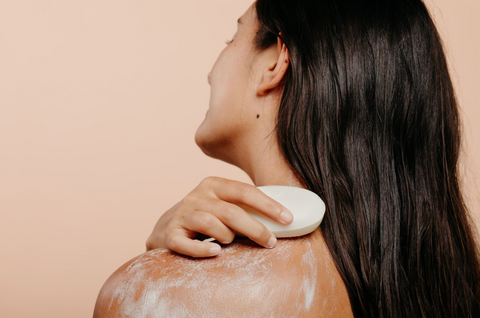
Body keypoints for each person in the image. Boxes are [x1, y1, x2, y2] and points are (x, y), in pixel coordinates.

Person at [94, 0, 480, 317]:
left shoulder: (158, 295)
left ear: (275, 63)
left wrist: (153, 271)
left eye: (232, 37)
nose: (210, 74)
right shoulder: (447, 281)